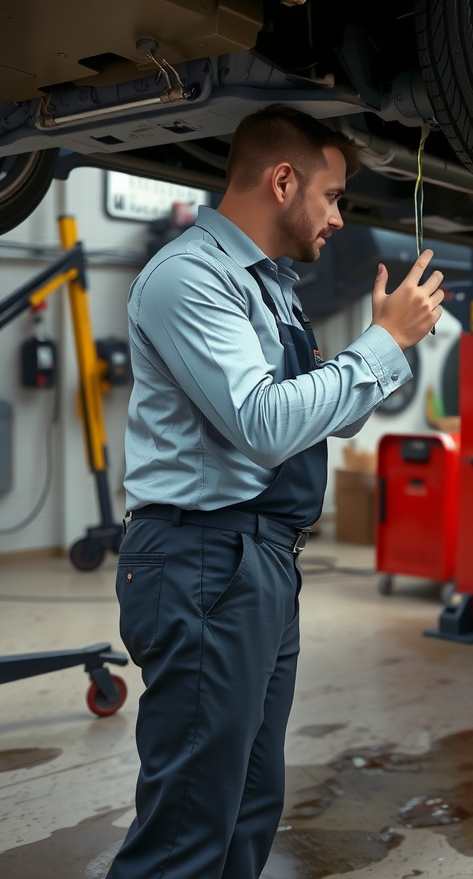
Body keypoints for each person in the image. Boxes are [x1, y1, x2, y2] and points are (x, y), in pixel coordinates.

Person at [108, 104, 444, 879]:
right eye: (331, 197)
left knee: (249, 807)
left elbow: (308, 419)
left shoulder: (274, 289)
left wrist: (386, 349)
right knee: (188, 828)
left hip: (257, 564)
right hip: (203, 561)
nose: (337, 218)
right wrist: (381, 343)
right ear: (282, 180)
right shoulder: (192, 276)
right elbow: (262, 422)